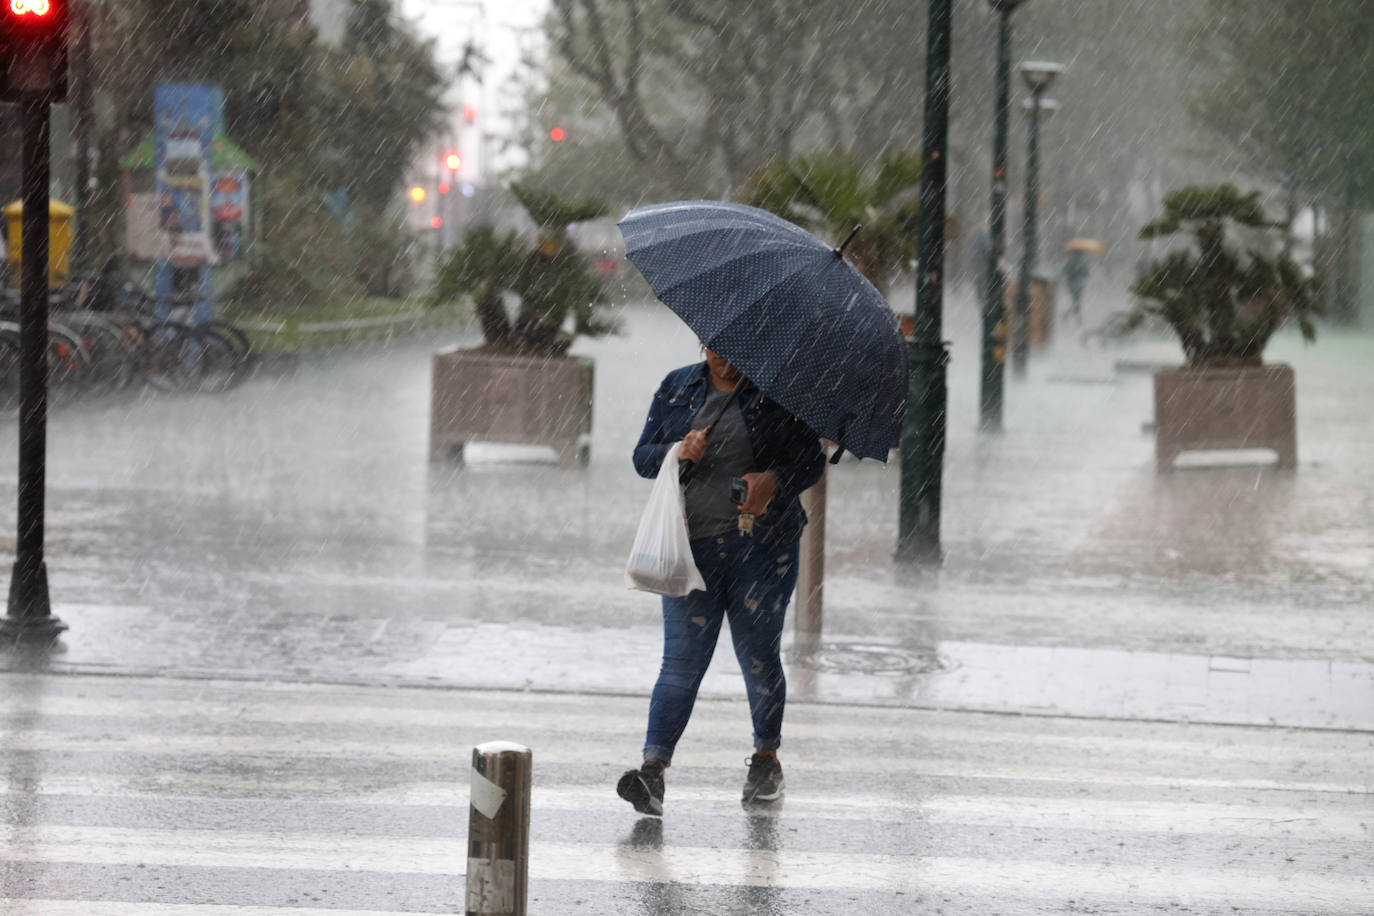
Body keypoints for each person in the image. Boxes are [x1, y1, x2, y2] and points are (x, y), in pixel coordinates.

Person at [617, 347, 825, 815]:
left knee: (758, 656)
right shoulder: (678, 386)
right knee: (681, 663)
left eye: (736, 352)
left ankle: (766, 760)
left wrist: (773, 480)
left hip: (764, 549)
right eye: (716, 348)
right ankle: (652, 773)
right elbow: (642, 459)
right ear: (703, 342)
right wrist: (676, 451)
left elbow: (810, 461)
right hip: (692, 549)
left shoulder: (777, 392)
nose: (725, 360)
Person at [1061, 248, 1091, 324]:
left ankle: (1070, 316)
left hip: (1071, 284)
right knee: (1077, 301)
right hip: (1079, 284)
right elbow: (1087, 273)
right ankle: (1076, 318)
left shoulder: (1070, 261)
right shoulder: (1083, 261)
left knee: (1075, 301)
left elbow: (1063, 270)